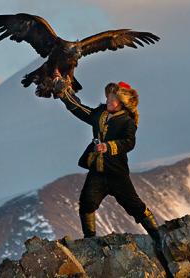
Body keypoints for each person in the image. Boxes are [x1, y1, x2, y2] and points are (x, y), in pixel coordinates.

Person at [52, 75, 163, 250]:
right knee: (87, 203)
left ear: (122, 102)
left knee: (135, 206)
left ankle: (158, 238)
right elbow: (81, 109)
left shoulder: (127, 122)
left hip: (117, 174)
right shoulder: (100, 114)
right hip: (97, 171)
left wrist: (108, 147)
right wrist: (64, 94)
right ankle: (91, 242)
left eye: (113, 98)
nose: (108, 100)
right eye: (109, 97)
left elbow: (129, 143)